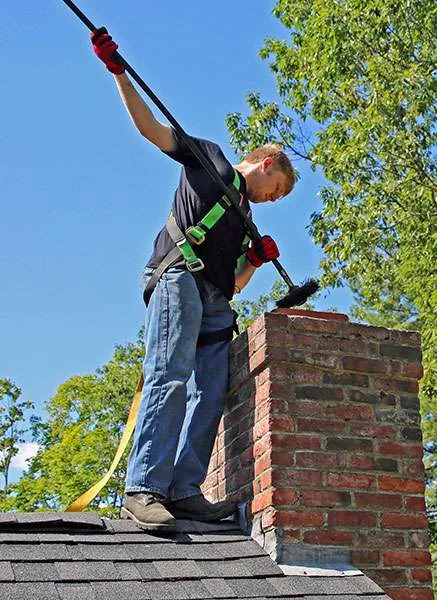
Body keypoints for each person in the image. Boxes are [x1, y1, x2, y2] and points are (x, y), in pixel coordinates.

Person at [90, 28, 295, 531]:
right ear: (266, 164)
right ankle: (144, 488)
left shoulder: (245, 218)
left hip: (216, 298)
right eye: (277, 190)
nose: (273, 200)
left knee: (210, 390)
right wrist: (118, 73)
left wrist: (255, 261)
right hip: (178, 275)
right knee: (171, 374)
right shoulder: (210, 159)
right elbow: (150, 130)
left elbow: (238, 285)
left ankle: (184, 489)